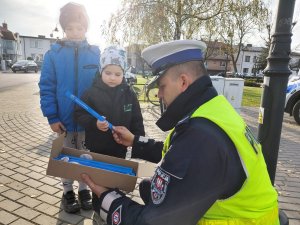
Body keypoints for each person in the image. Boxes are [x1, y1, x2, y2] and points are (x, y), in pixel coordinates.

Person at [81, 39, 279, 225]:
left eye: (162, 86)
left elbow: (152, 222)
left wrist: (106, 196)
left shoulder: (202, 135)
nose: (158, 94)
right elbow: (179, 153)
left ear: (183, 82)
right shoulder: (213, 110)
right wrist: (135, 141)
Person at [39, 2, 100, 214]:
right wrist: (52, 116)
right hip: (63, 121)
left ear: (86, 29)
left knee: (85, 156)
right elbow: (47, 87)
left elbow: (102, 86)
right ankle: (67, 192)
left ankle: (84, 189)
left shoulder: (95, 53)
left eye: (80, 28)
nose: (75, 33)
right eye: (71, 28)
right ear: (64, 28)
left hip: (87, 122)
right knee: (65, 157)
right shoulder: (53, 54)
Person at [74, 45, 145, 223]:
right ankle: (99, 213)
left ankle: (115, 211)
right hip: (97, 148)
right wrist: (95, 123)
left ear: (124, 73)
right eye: (108, 73)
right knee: (98, 182)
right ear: (101, 70)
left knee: (116, 182)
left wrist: (138, 142)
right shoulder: (91, 93)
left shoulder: (129, 94)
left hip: (119, 149)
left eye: (117, 74)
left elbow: (137, 119)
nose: (113, 78)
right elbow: (78, 114)